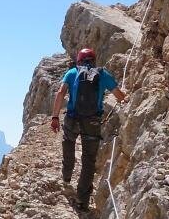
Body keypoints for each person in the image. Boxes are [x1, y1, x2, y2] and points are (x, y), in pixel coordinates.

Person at [50, 48, 127, 210]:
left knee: (68, 145)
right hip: (92, 121)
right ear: (94, 60)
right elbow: (120, 97)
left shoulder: (72, 73)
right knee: (88, 160)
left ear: (79, 60)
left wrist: (55, 117)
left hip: (72, 118)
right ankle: (82, 200)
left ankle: (66, 178)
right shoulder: (102, 74)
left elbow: (60, 92)